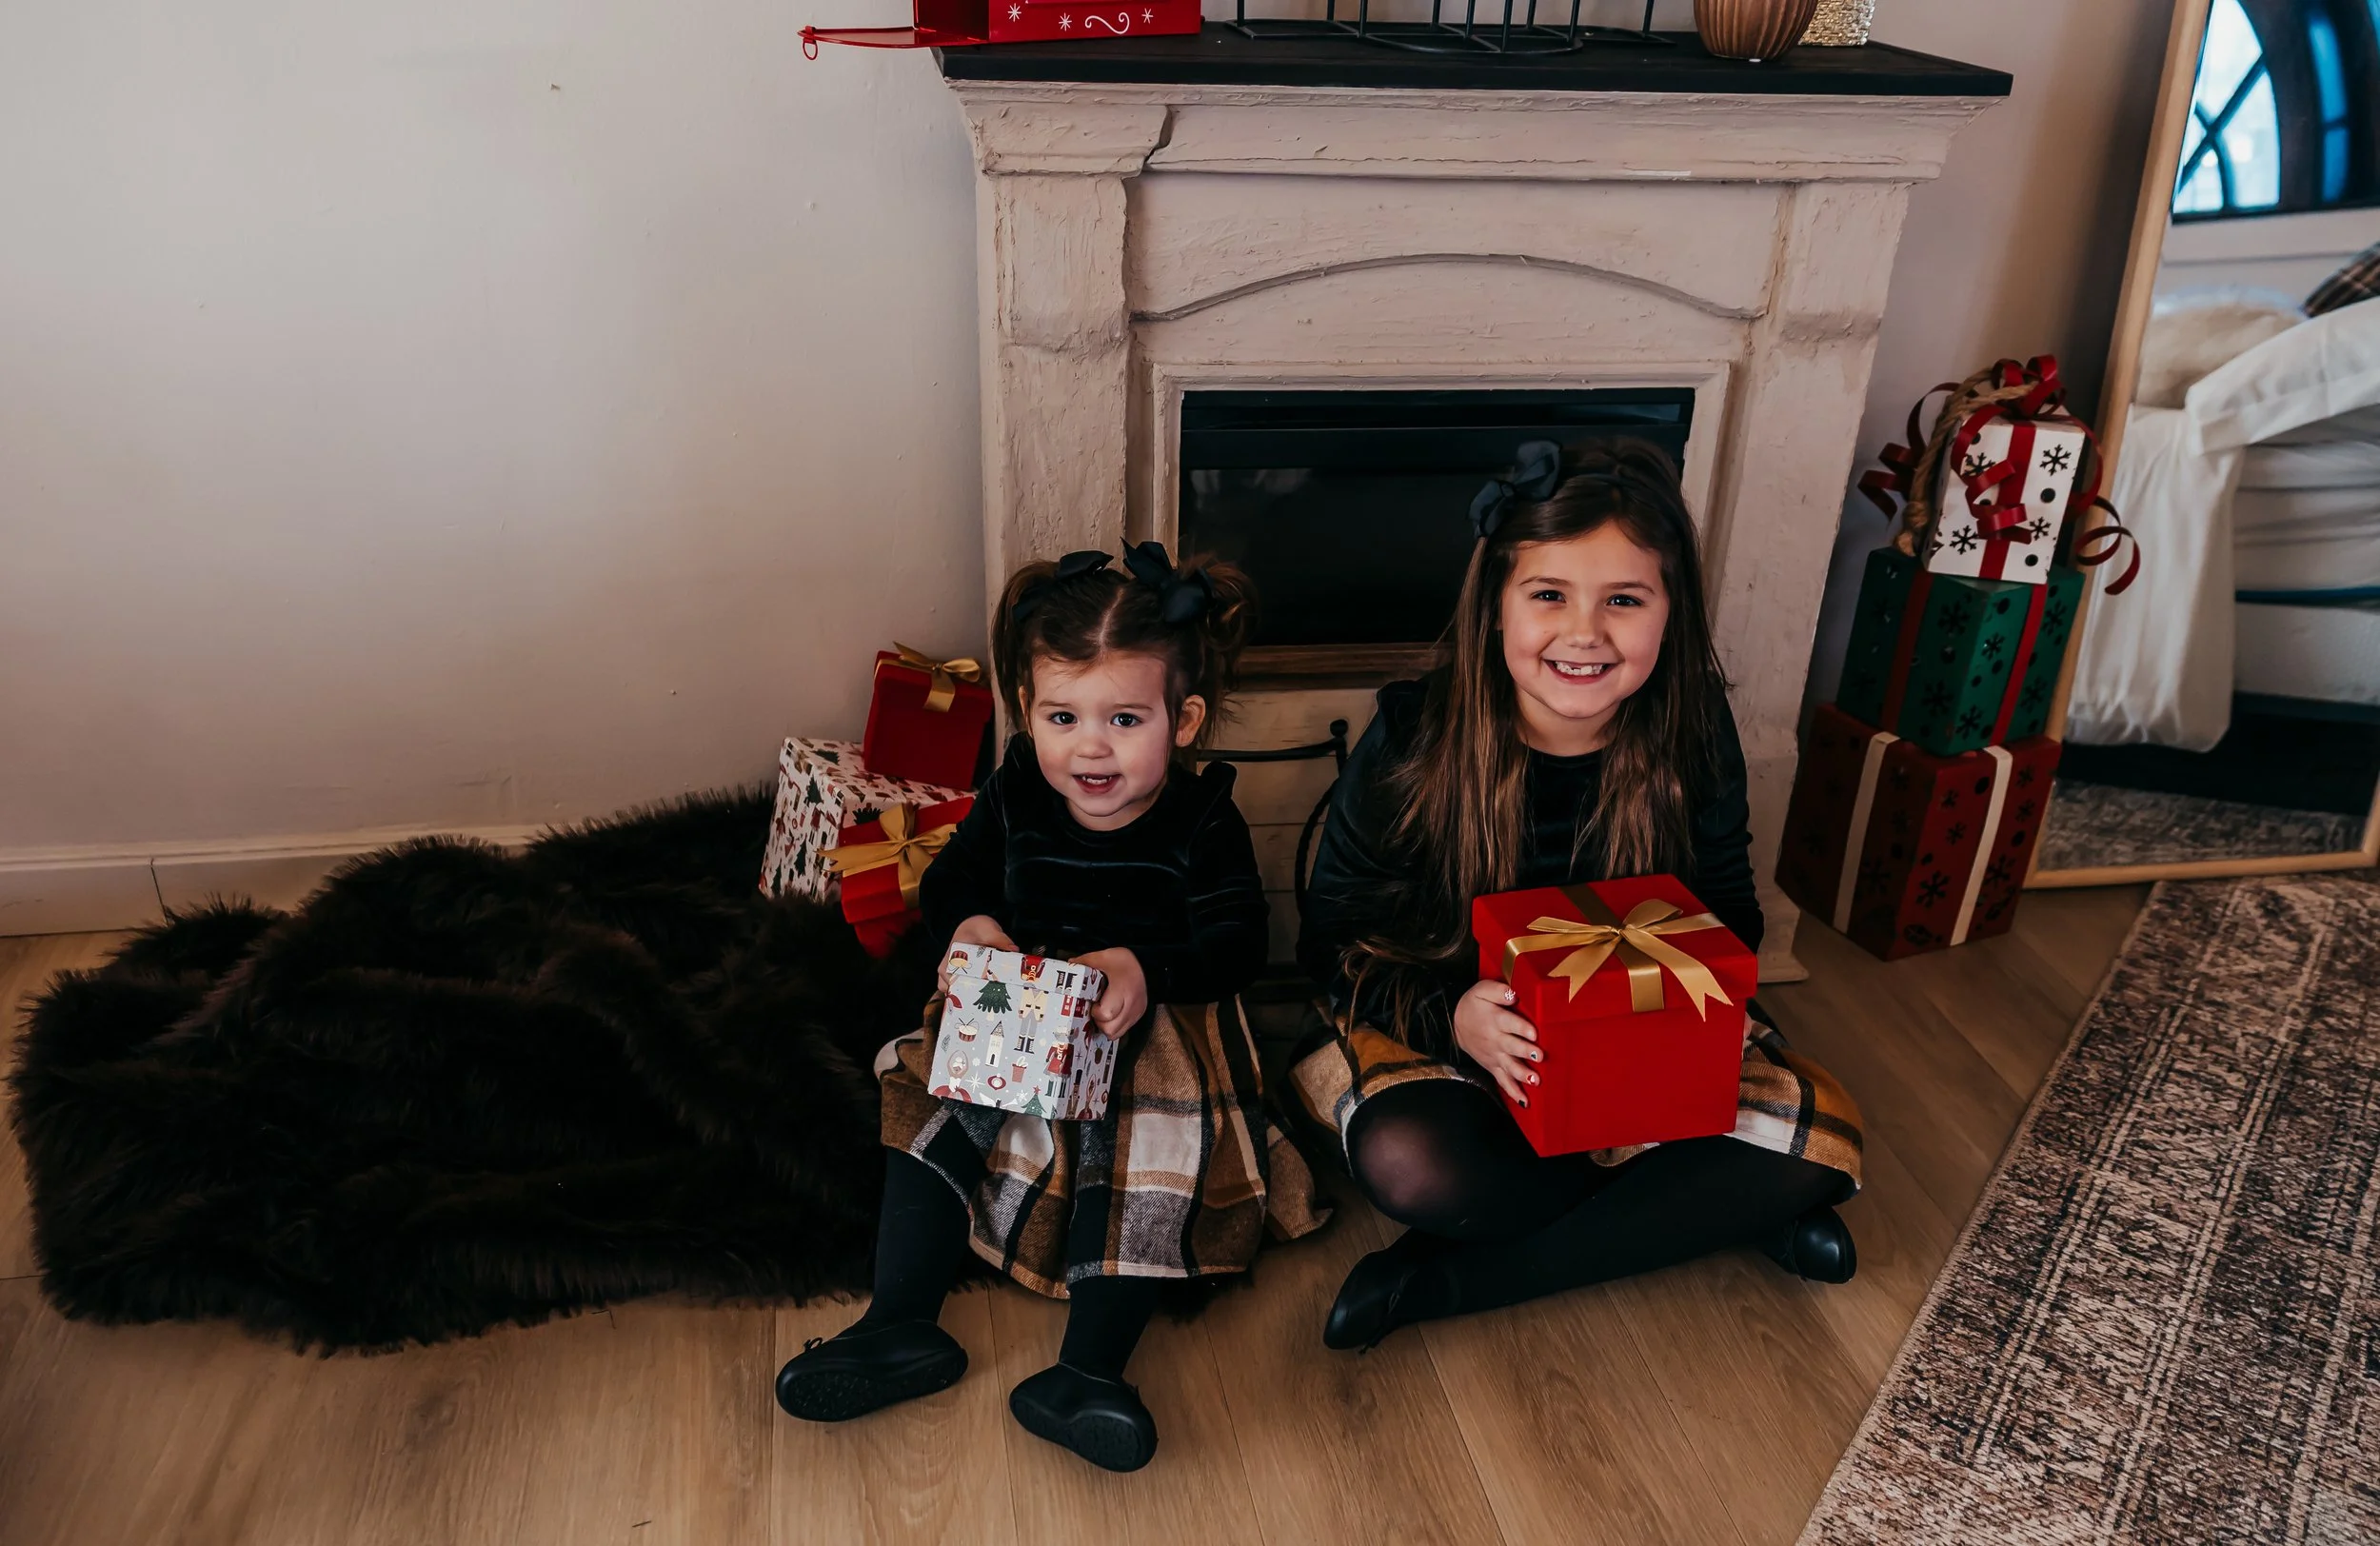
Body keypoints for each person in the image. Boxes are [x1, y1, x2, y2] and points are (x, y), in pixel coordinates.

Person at [1290, 437, 1864, 1352]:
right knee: (1415, 1164)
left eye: (1624, 600)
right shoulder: (1415, 733)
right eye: (1549, 595)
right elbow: (1334, 943)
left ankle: (1448, 1280)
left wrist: (1661, 1008)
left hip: (1636, 1041)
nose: (1585, 633)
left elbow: (1729, 912)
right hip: (1455, 1029)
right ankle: (1707, 1209)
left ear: (1669, 615)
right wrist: (1454, 1018)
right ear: (1495, 610)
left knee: (1826, 1132)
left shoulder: (1692, 728)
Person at [776, 543, 1326, 1471]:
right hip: (1020, 1009)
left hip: (1146, 1024)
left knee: (1143, 1155)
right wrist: (976, 925)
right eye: (1063, 715)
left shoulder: (1203, 820)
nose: (1090, 745)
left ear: (1182, 720)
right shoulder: (1017, 789)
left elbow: (1239, 944)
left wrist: (1144, 965)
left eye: (1125, 717)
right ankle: (898, 1323)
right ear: (1028, 712)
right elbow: (950, 881)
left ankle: (1090, 1372)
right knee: (929, 1098)